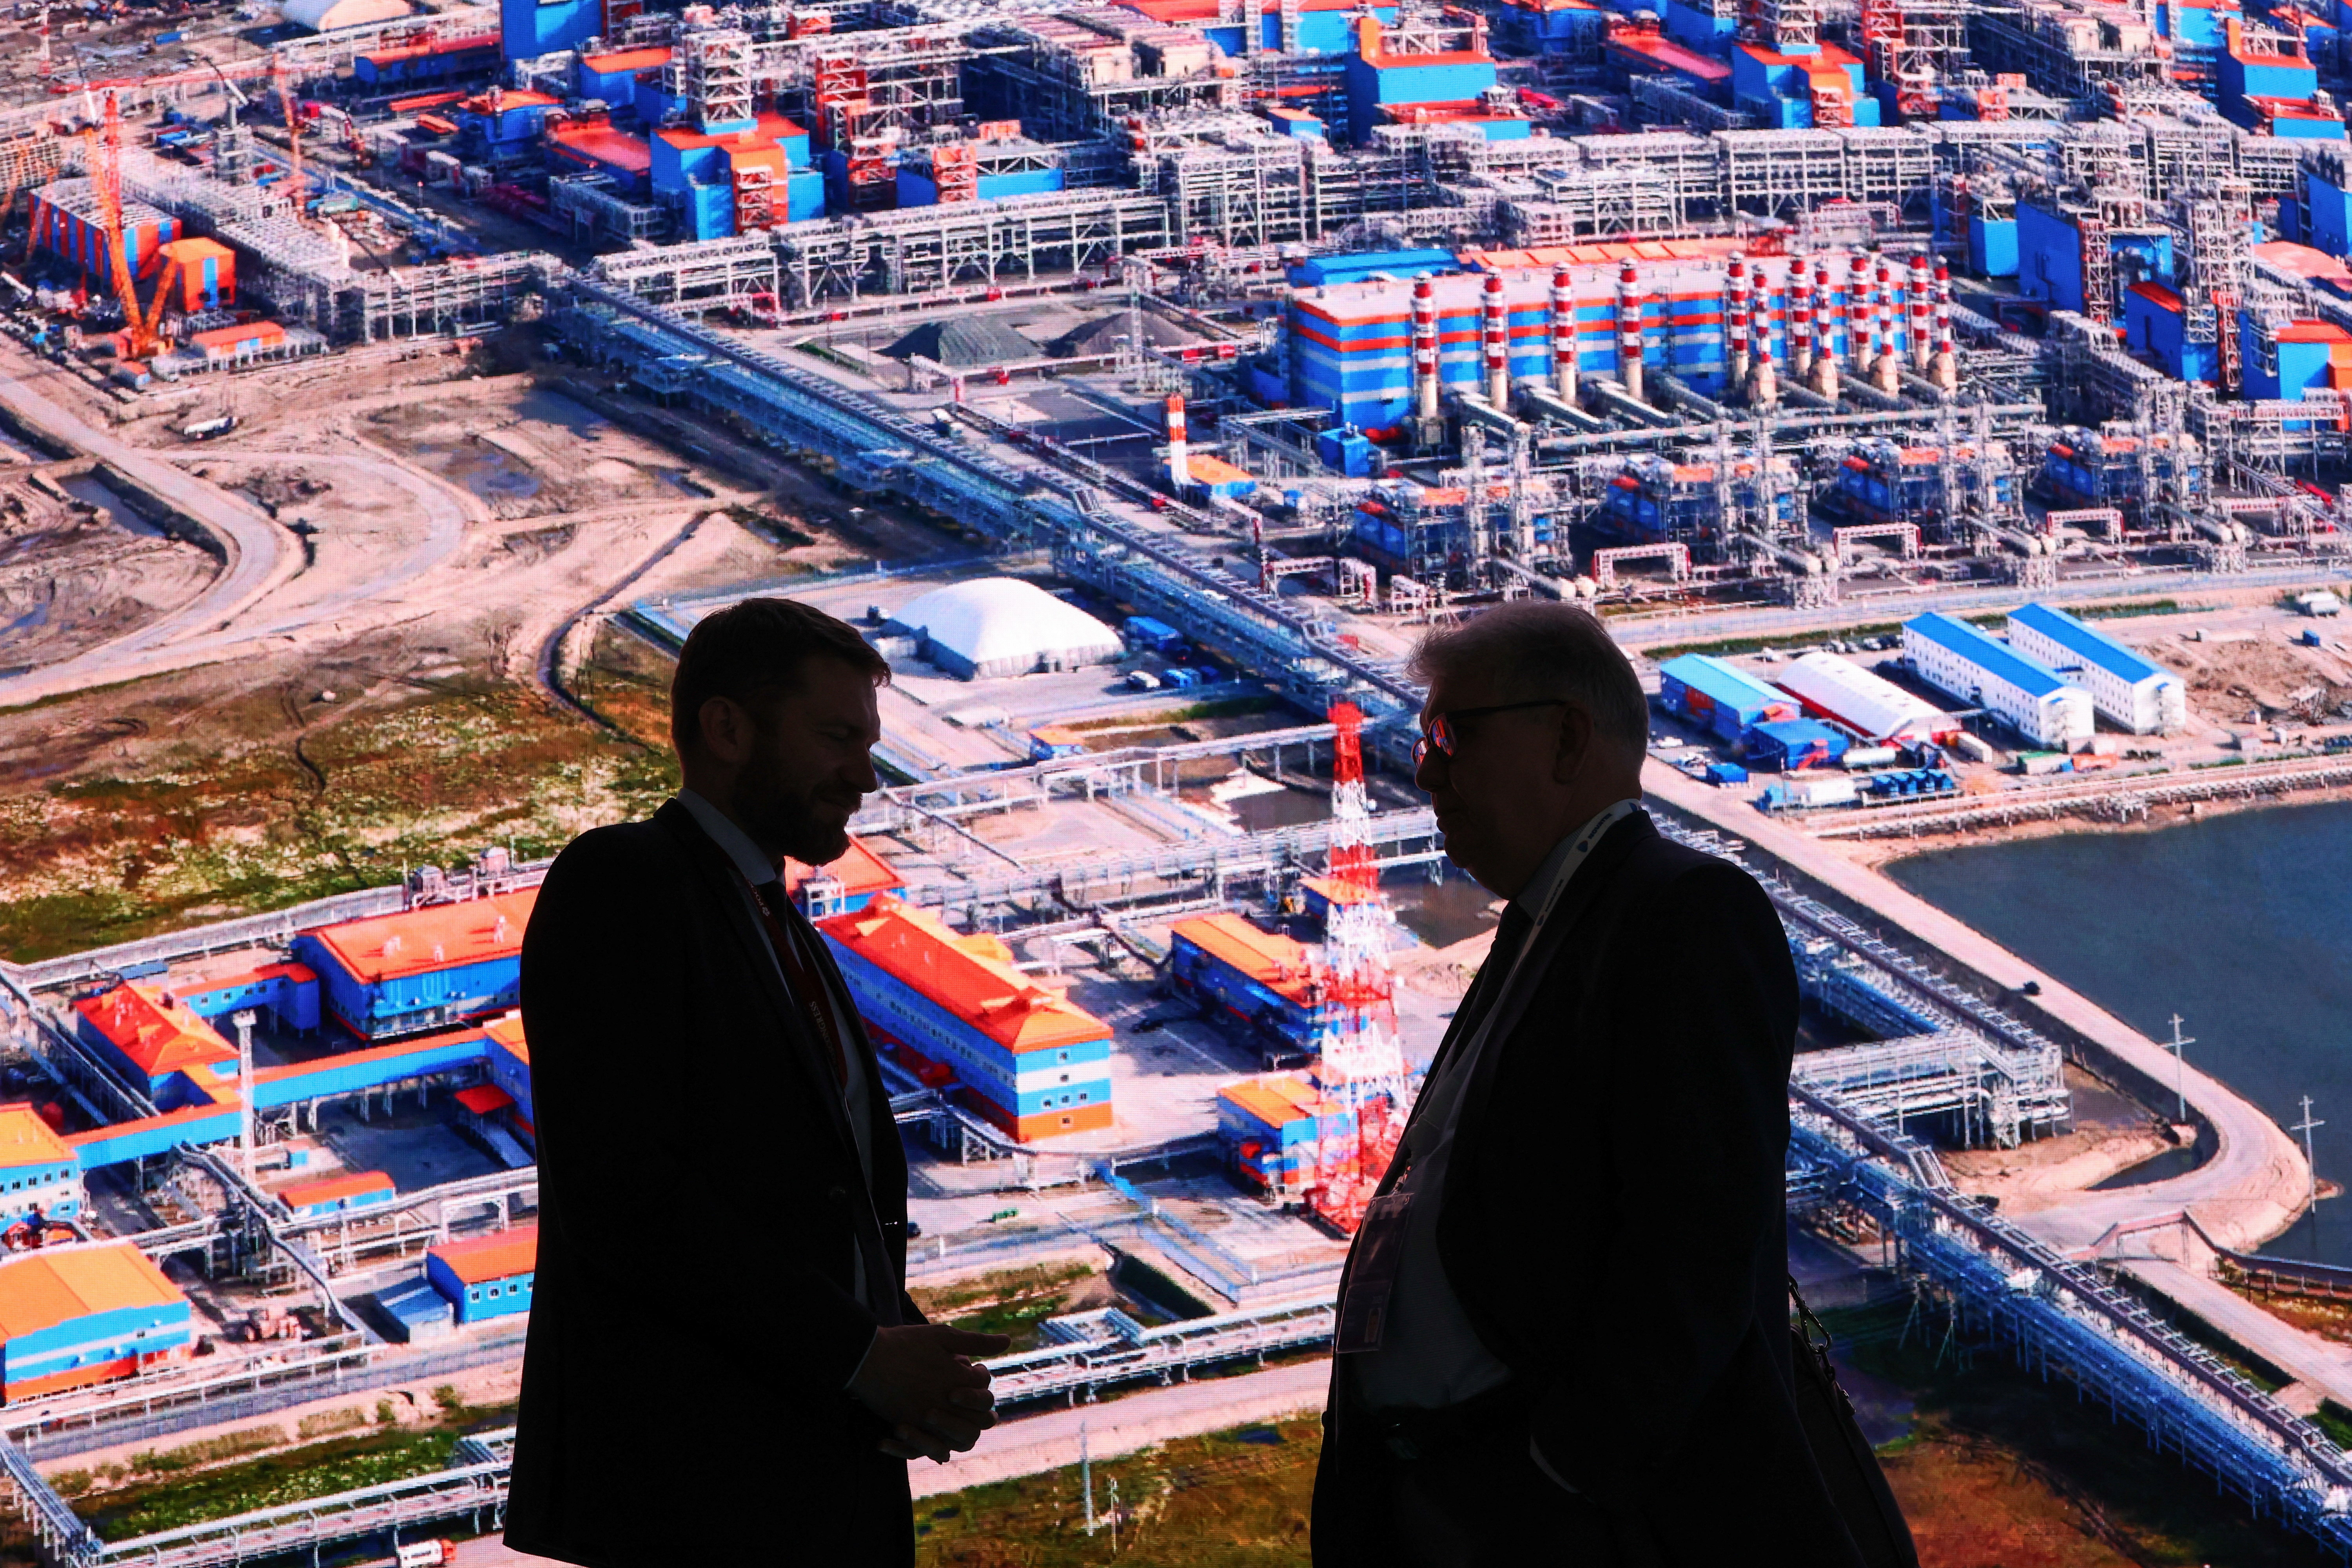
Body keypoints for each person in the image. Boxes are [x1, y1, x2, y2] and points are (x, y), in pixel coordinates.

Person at [1311, 601, 1867, 1567]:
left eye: (1453, 735)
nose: (1427, 769)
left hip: (1559, 1523)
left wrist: (1555, 1477)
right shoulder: (1547, 921)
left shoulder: (1683, 912)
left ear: (1567, 736)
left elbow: (1697, 1244)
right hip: (1454, 1492)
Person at [508, 597, 1009, 1568]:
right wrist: (860, 1355)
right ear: (728, 728)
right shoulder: (623, 883)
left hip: (817, 1478)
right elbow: (625, 1195)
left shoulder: (789, 935)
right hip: (697, 1498)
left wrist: (903, 1364)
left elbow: (802, 1202)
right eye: (835, 739)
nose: (865, 776)